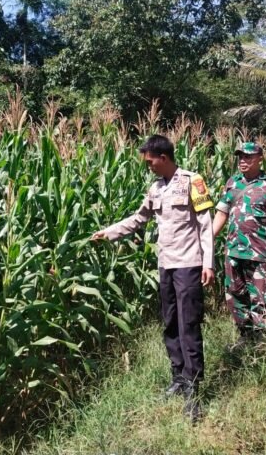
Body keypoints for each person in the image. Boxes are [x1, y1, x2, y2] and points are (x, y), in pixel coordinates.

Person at [91, 134, 214, 422]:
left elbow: (205, 225)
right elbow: (139, 218)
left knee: (189, 326)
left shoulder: (193, 181)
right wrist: (109, 232)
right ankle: (178, 379)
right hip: (166, 265)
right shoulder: (156, 188)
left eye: (150, 162)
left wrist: (208, 263)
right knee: (170, 323)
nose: (148, 166)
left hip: (189, 264)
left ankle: (194, 391)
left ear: (164, 157)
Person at [213, 141, 266, 350]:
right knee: (235, 295)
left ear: (260, 158)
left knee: (262, 297)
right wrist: (208, 238)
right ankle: (245, 336)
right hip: (233, 251)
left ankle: (263, 343)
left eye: (248, 157)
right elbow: (222, 212)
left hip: (260, 254)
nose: (243, 161)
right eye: (240, 157)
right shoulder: (232, 182)